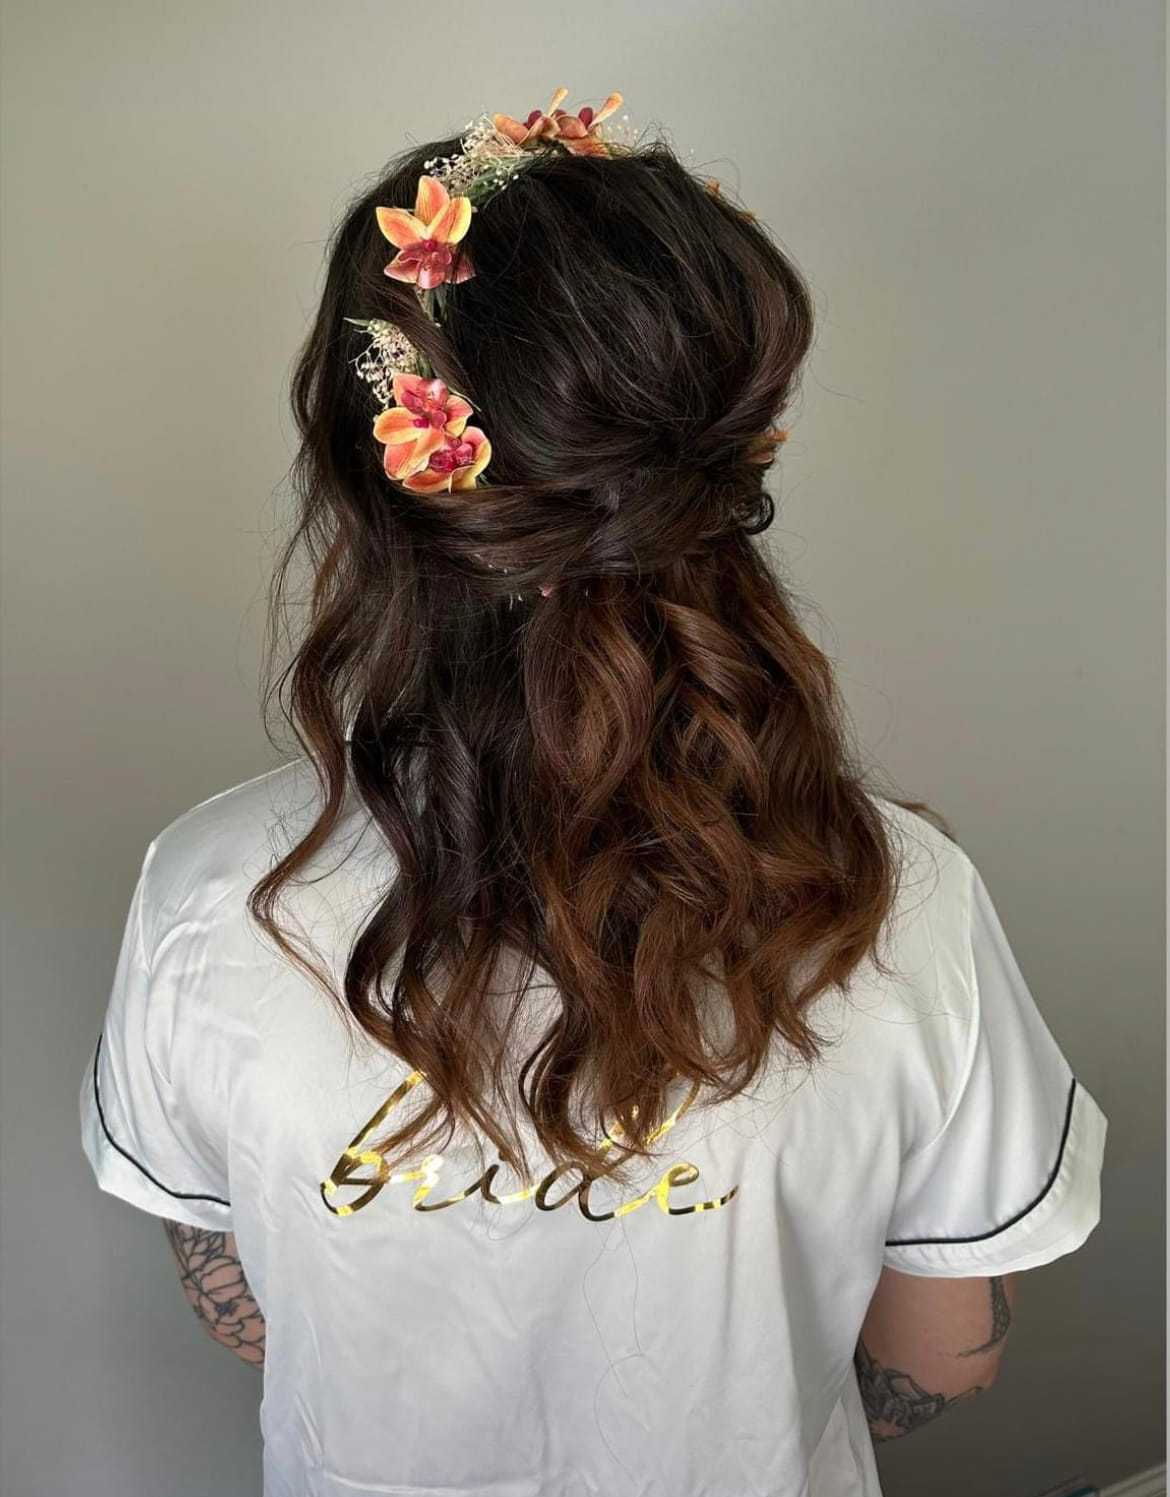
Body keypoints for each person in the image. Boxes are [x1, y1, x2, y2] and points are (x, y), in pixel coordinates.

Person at [80, 87, 1108, 1497]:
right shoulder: (897, 896)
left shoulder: (210, 892)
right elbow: (944, 1352)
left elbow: (248, 1299)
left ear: (367, 475)